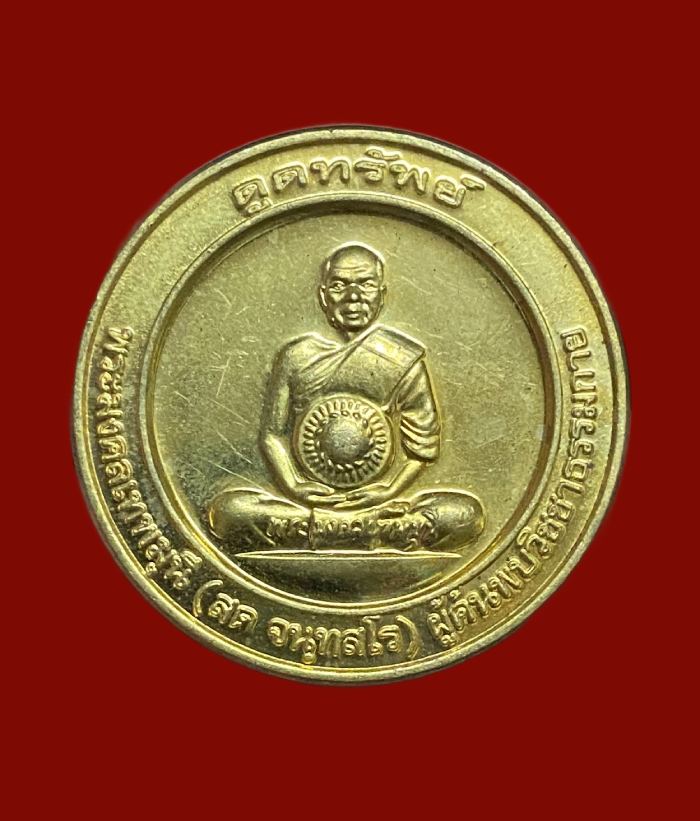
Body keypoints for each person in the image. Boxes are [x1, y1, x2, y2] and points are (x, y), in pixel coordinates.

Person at [208, 243, 484, 552]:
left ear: (382, 294)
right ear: (324, 296)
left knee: (464, 515)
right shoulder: (296, 356)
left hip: (383, 503)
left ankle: (308, 531)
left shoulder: (401, 357)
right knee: (231, 512)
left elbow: (422, 448)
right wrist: (293, 485)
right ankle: (384, 533)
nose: (353, 296)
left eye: (365, 284)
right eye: (340, 285)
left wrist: (389, 489)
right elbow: (273, 434)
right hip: (305, 503)